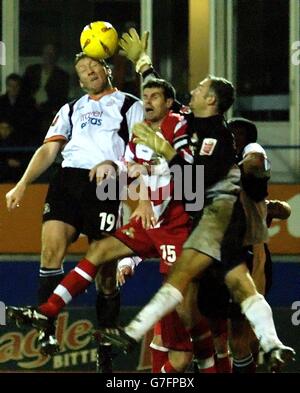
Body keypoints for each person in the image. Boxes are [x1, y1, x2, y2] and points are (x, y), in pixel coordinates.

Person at [99, 29, 295, 372]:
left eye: (203, 87)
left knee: (192, 291)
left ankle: (131, 334)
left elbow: (195, 177)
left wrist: (163, 150)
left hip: (217, 221)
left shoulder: (217, 136)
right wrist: (143, 63)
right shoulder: (193, 120)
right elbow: (166, 100)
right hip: (211, 223)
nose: (196, 88)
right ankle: (273, 344)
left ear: (213, 102)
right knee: (221, 291)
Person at [6, 77, 196, 373]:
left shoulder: (178, 125)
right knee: (99, 252)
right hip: (148, 223)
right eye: (145, 96)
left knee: (185, 328)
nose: (147, 102)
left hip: (176, 223)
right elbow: (128, 164)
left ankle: (141, 340)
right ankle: (48, 310)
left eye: (155, 97)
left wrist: (144, 188)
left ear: (170, 104)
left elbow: (183, 168)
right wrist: (112, 165)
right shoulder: (138, 135)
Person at [5, 52, 144, 372]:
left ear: (106, 70)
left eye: (94, 65)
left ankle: (105, 349)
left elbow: (144, 151)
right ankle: (46, 331)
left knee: (106, 273)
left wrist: (118, 168)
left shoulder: (129, 104)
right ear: (79, 80)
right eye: (82, 68)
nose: (89, 70)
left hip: (107, 183)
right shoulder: (71, 108)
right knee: (50, 249)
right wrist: (23, 183)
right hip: (68, 180)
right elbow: (49, 148)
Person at [22, 44, 70, 134]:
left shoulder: (61, 75)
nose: (49, 56)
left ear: (55, 56)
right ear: (42, 55)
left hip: (49, 110)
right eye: (46, 53)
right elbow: (24, 90)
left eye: (51, 54)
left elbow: (61, 97)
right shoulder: (32, 70)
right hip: (30, 107)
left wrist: (47, 107)